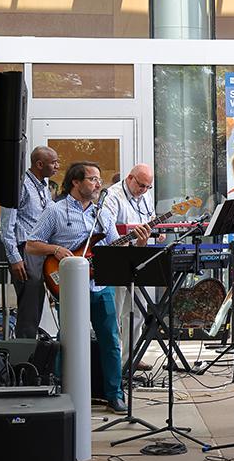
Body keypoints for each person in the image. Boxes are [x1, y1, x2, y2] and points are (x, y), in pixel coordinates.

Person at [25, 161, 151, 415]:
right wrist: (55, 249)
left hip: (99, 285)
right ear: (76, 182)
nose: (98, 184)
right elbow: (31, 244)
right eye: (92, 179)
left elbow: (117, 248)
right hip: (68, 287)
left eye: (98, 179)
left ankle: (115, 395)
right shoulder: (55, 212)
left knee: (111, 341)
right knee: (68, 341)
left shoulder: (102, 214)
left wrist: (138, 244)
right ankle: (64, 392)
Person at [106, 163, 163, 372]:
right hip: (118, 259)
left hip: (140, 257)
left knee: (138, 310)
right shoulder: (112, 197)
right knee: (116, 310)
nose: (144, 190)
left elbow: (149, 219)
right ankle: (113, 360)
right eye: (141, 185)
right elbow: (107, 230)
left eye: (148, 187)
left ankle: (132, 357)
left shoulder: (145, 195)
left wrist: (156, 232)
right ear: (130, 178)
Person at [0, 146, 58, 339]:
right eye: (53, 162)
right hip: (24, 250)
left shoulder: (43, 186)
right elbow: (7, 226)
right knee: (29, 308)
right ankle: (24, 361)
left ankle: (37, 353)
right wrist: (15, 258)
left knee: (40, 302)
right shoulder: (20, 185)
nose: (57, 166)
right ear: (39, 164)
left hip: (42, 249)